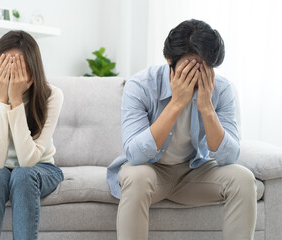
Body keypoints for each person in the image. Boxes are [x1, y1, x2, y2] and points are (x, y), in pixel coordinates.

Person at [107, 19, 257, 240]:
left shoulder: (222, 90)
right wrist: (176, 103)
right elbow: (135, 155)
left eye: (204, 67)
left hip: (194, 172)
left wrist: (207, 108)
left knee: (243, 178)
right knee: (137, 176)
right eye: (189, 67)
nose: (197, 75)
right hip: (151, 171)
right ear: (169, 60)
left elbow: (229, 156)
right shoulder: (140, 85)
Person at [0, 30, 64, 240]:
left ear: (33, 69)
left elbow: (28, 161)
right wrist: (2, 99)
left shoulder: (52, 96)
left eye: (19, 67)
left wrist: (16, 100)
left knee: (22, 175)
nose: (12, 74)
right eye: (5, 66)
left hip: (41, 167)